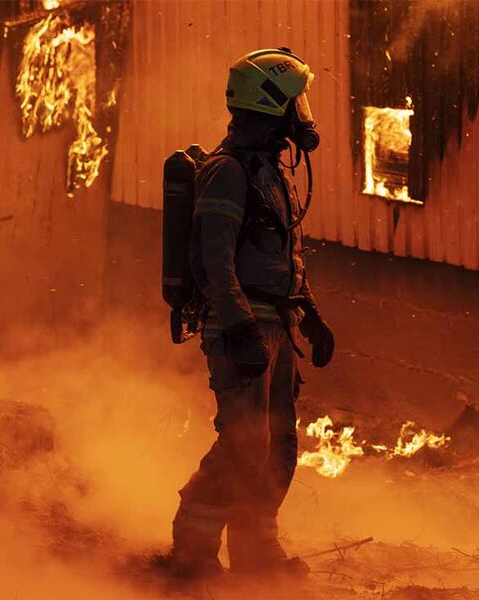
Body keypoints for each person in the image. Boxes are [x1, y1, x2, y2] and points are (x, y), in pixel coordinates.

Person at [170, 48, 335, 579]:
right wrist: (239, 325)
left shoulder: (270, 171)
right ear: (270, 104)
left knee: (280, 444)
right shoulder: (227, 172)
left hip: (277, 323)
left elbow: (282, 254)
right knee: (245, 442)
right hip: (242, 325)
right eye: (296, 101)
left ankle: (256, 551)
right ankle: (190, 555)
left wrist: (309, 314)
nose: (302, 114)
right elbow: (213, 259)